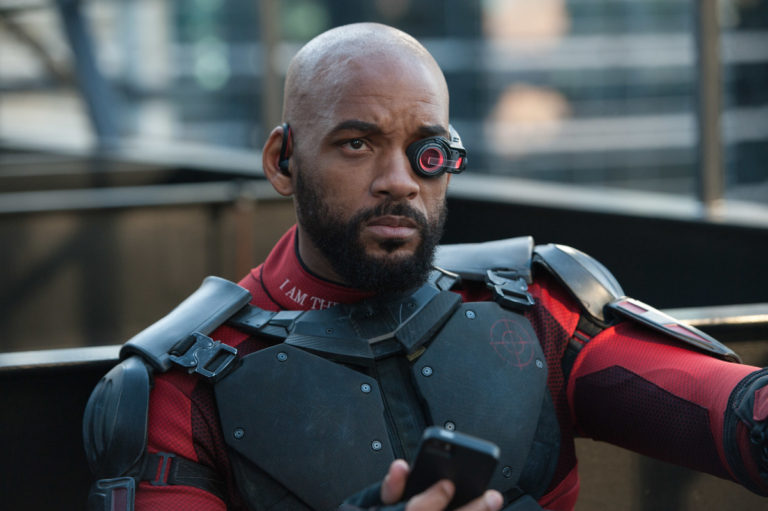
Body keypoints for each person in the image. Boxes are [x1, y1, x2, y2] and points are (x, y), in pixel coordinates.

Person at [82, 23, 768, 511]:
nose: (399, 180)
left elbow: (730, 411)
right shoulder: (179, 389)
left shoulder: (536, 309)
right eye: (357, 144)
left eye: (426, 151)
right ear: (282, 161)